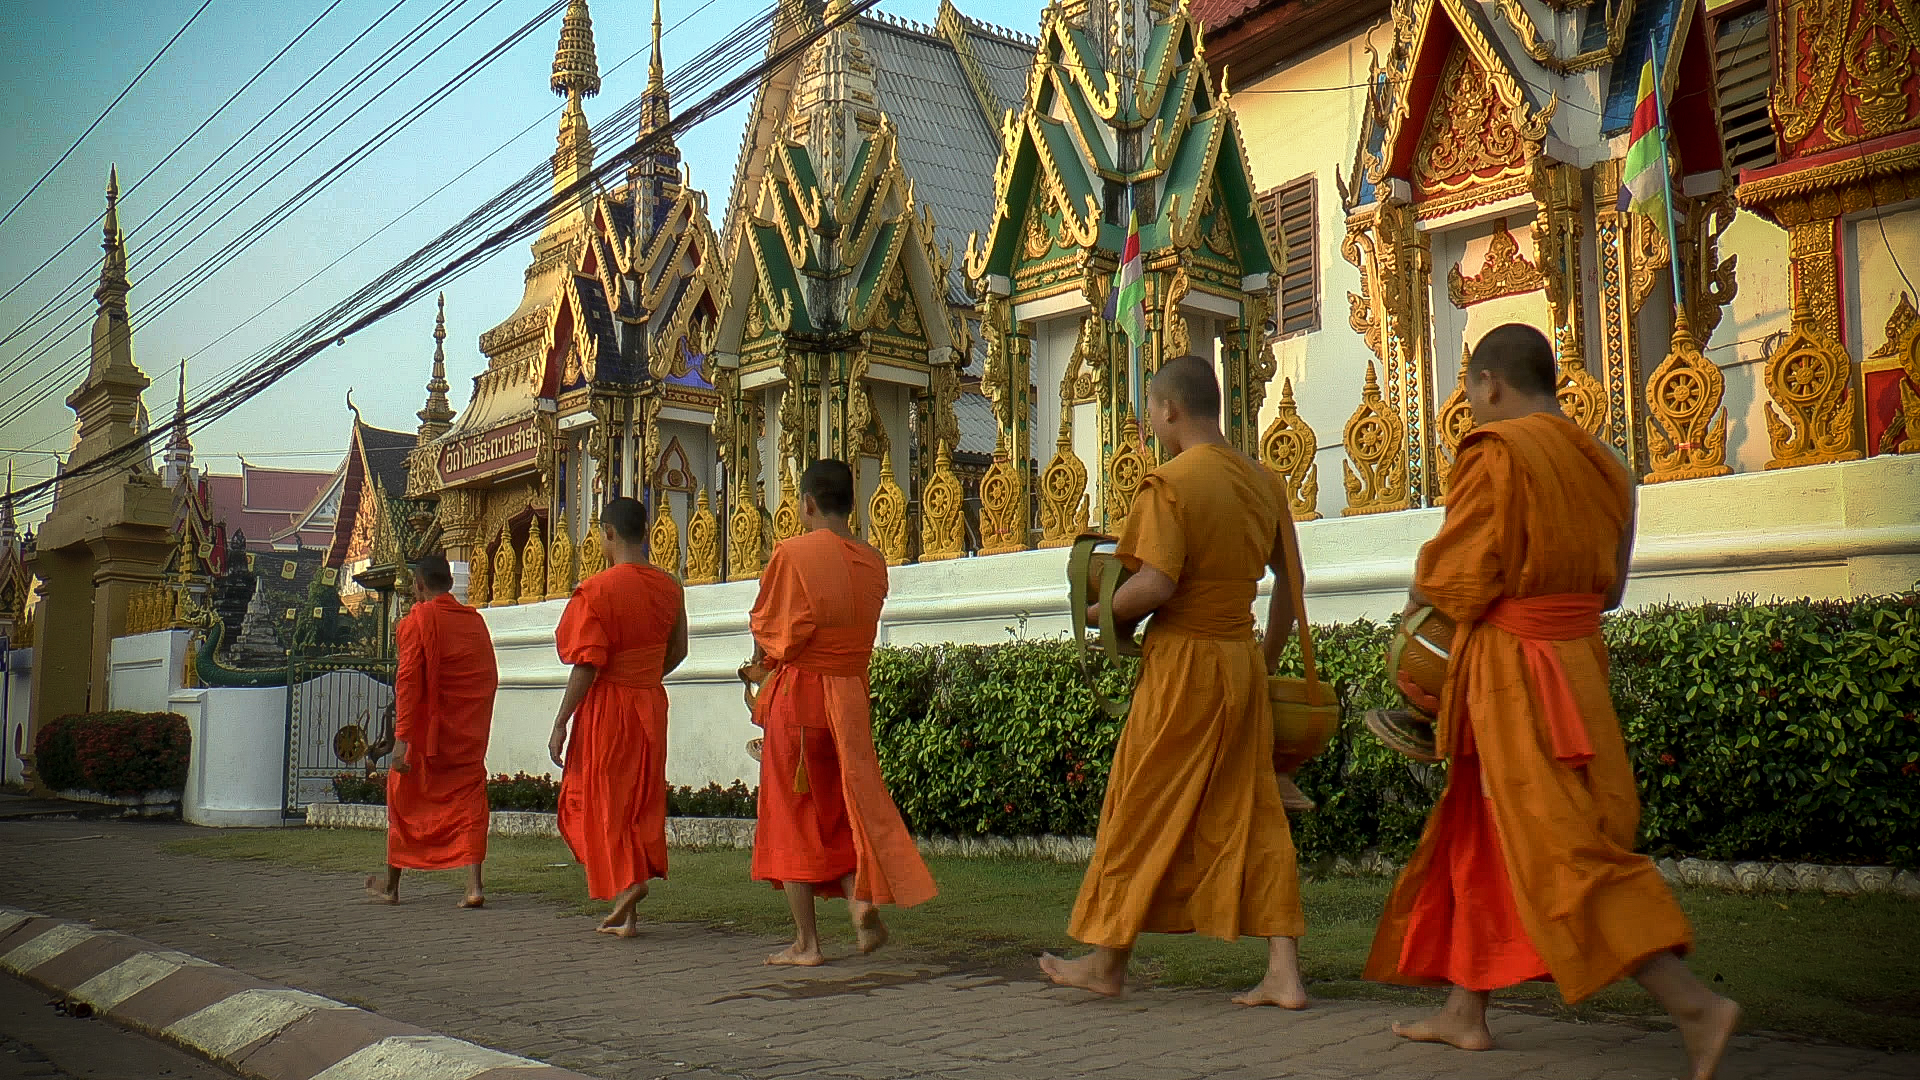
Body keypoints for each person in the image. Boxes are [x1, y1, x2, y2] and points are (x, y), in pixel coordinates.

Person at [1365, 323, 1739, 1079]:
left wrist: (1413, 635)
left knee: (1565, 851)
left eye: (1469, 393)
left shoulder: (1497, 452)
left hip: (1513, 675)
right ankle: (1465, 1012)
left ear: (1490, 385)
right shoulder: (1610, 465)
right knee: (1484, 830)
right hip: (1577, 668)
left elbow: (1455, 580)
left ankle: (1696, 1006)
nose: (1470, 408)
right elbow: (1612, 590)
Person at [1041, 356, 1310, 1007]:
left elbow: (1157, 584)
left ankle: (1107, 963)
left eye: (1150, 414)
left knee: (1139, 805)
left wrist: (1099, 616)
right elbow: (1289, 591)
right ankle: (1284, 972)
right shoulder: (1264, 480)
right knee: (1255, 810)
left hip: (1183, 665)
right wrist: (1265, 662)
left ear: (1169, 411)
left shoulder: (1170, 482)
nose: (1150, 426)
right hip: (1238, 661)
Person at [745, 459, 937, 966]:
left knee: (791, 819)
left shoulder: (794, 553)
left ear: (807, 503)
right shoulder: (873, 561)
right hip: (849, 700)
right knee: (838, 812)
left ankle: (806, 943)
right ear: (851, 504)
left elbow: (774, 631)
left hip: (801, 699)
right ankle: (859, 909)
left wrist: (757, 668)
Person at [549, 498, 688, 937]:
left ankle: (627, 883)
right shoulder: (670, 586)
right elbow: (680, 650)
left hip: (608, 706)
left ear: (608, 533)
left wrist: (560, 722)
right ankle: (628, 917)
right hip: (650, 702)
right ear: (644, 532)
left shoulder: (596, 590)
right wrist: (644, 676)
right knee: (639, 801)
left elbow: (587, 664)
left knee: (600, 800)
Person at [365, 553, 498, 908]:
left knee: (402, 798)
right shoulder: (475, 623)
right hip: (467, 733)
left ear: (419, 585)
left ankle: (392, 886)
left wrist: (402, 740)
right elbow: (488, 678)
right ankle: (474, 886)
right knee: (470, 803)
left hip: (426, 737)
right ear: (451, 584)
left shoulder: (416, 622)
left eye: (412, 585)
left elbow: (407, 682)